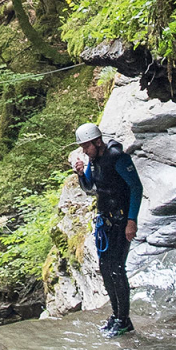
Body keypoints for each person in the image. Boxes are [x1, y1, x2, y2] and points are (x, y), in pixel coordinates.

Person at [71, 123, 143, 338]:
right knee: (105, 267)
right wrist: (80, 174)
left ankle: (124, 320)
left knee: (116, 269)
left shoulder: (117, 157)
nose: (84, 150)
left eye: (86, 146)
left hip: (122, 221)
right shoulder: (94, 161)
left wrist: (132, 220)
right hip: (107, 221)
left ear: (97, 142)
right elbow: (90, 188)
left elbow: (136, 187)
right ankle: (116, 315)